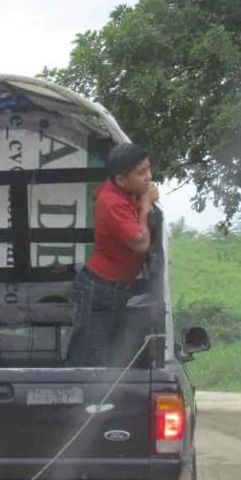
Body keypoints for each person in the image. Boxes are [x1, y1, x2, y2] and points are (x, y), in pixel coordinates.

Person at [66, 142, 159, 367]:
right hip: (100, 290)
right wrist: (146, 206)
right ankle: (77, 400)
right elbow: (141, 243)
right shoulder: (113, 203)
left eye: (148, 169)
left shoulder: (121, 191)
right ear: (120, 180)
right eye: (141, 173)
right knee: (90, 359)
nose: (148, 177)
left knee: (106, 354)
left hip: (112, 288)